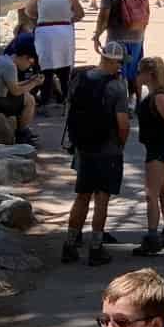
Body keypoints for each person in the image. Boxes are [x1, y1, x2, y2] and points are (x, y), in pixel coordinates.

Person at [63, 43, 134, 267]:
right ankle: (95, 247)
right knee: (101, 198)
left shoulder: (80, 79)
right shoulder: (117, 87)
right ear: (113, 61)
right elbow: (123, 123)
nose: (121, 67)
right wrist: (121, 144)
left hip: (83, 147)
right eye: (120, 63)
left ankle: (70, 244)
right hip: (107, 149)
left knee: (82, 195)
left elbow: (69, 111)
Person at [131, 57, 164, 257]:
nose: (137, 76)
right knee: (162, 193)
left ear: (148, 75)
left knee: (151, 194)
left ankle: (152, 238)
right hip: (156, 149)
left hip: (158, 151)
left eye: (139, 72)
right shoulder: (153, 95)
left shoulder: (160, 98)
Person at [0, 33, 43, 145]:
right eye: (30, 62)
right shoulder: (9, 67)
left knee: (27, 97)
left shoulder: (6, 60)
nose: (30, 66)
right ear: (25, 57)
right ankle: (21, 134)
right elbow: (15, 91)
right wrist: (34, 83)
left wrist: (30, 81)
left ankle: (22, 131)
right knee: (29, 100)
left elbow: (14, 85)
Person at [33, 0, 85, 111]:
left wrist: (41, 17)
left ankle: (45, 100)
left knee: (45, 67)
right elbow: (80, 13)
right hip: (64, 32)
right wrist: (68, 20)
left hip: (45, 32)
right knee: (64, 67)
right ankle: (65, 99)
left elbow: (29, 11)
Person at [93, 0, 148, 85]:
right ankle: (135, 100)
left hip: (116, 39)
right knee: (134, 73)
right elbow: (146, 13)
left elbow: (103, 17)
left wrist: (96, 36)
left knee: (114, 74)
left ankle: (118, 100)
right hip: (137, 37)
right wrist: (141, 31)